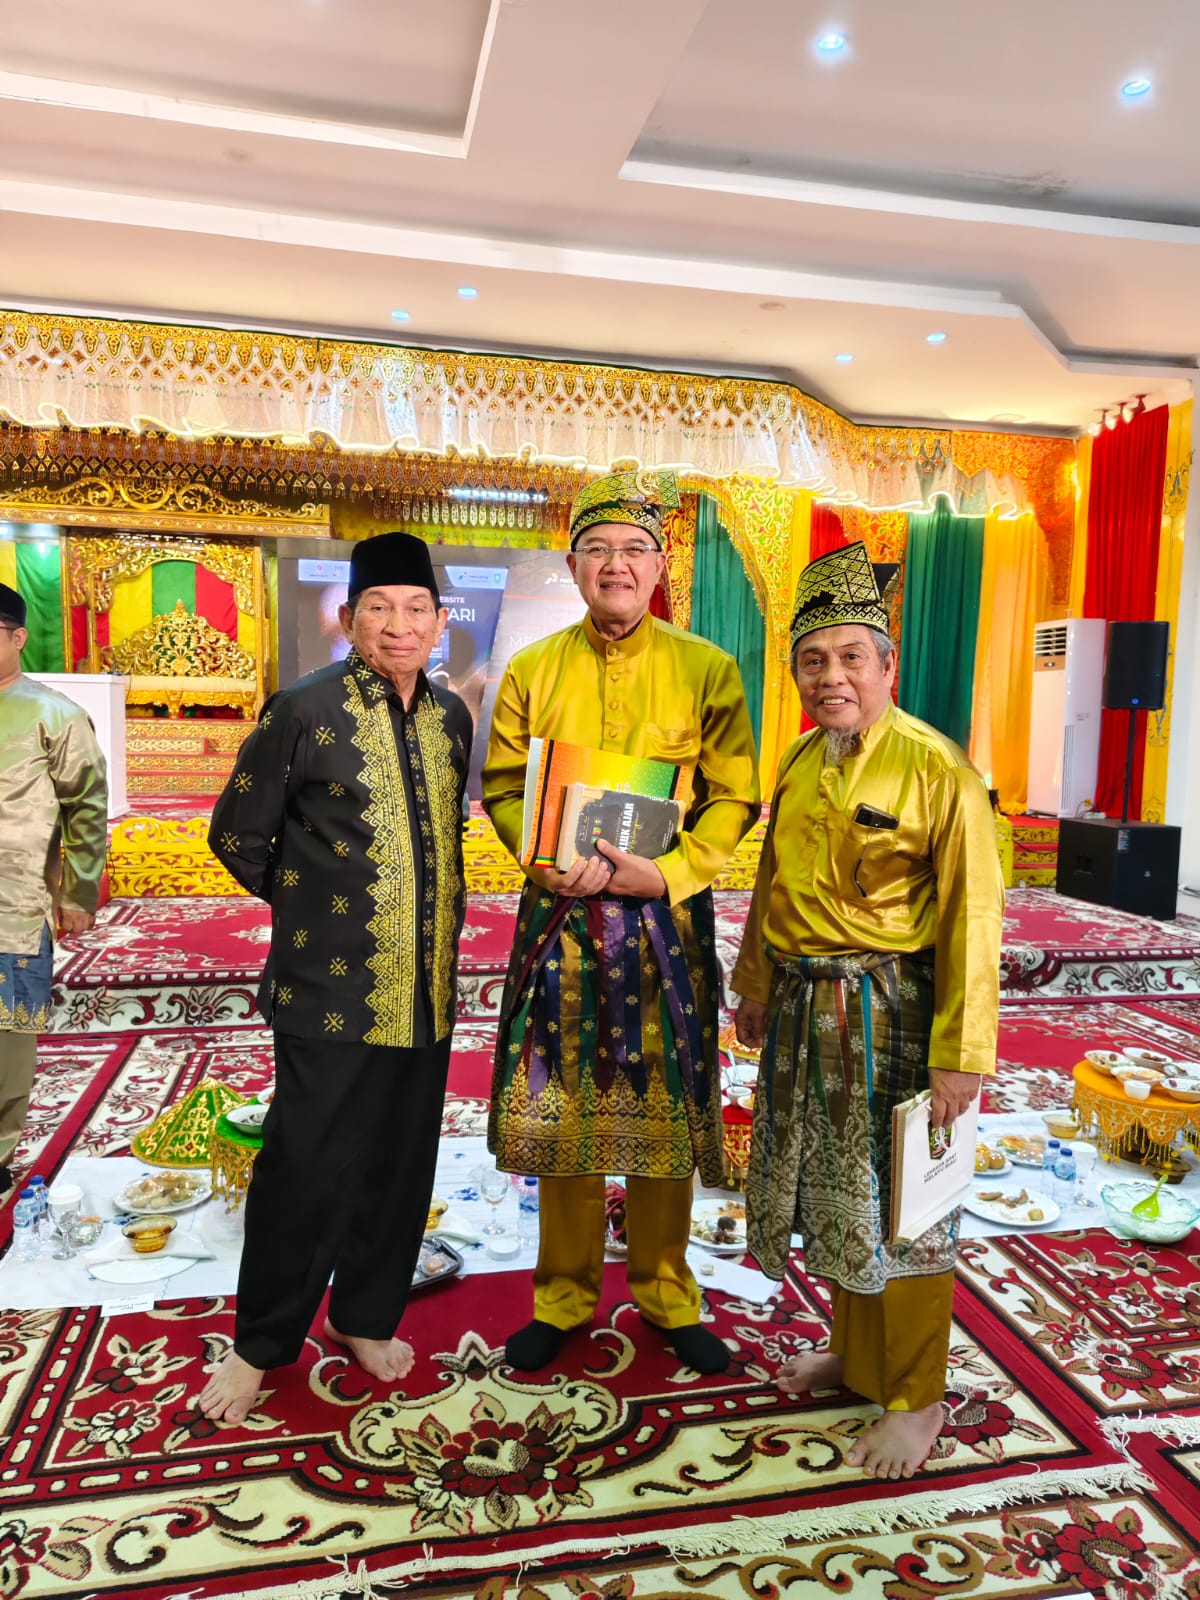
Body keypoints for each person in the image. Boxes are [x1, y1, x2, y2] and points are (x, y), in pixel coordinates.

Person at [731, 541, 1003, 1480]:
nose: (832, 676)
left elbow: (974, 915)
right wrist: (754, 983)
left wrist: (960, 1053)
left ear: (888, 664)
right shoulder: (800, 758)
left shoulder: (938, 769)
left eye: (852, 656)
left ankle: (918, 1398)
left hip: (896, 1011)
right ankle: (854, 1354)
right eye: (813, 660)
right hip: (805, 1007)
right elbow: (772, 881)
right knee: (834, 1195)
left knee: (908, 1209)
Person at [483, 471, 760, 1375]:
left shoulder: (707, 669)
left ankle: (667, 1290)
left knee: (662, 1104)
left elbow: (734, 796)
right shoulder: (533, 670)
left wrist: (671, 872)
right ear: (572, 565)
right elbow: (501, 788)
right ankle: (562, 1295)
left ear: (658, 566)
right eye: (597, 549)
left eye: (634, 549)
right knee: (562, 1103)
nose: (616, 565)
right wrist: (539, 859)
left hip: (662, 923)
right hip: (559, 916)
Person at [200, 532, 472, 1425]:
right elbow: (237, 835)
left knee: (399, 1163)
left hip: (426, 987)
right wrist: (314, 907)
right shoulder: (303, 708)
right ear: (350, 617)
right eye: (379, 608)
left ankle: (364, 1315)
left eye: (416, 609)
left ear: (440, 620)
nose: (400, 625)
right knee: (306, 1167)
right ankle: (260, 1344)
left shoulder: (450, 718)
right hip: (326, 989)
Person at [0, 582, 107, 1193]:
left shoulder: (55, 714)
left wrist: (78, 893)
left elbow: (86, 808)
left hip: (15, 905)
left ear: (18, 638)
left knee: (9, 1037)